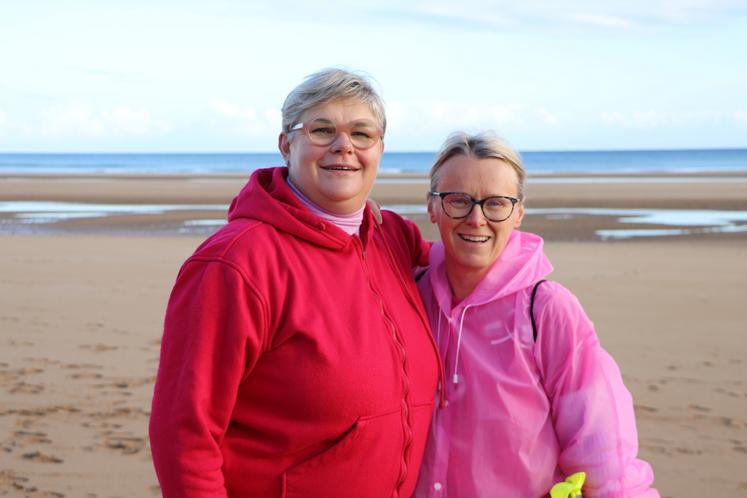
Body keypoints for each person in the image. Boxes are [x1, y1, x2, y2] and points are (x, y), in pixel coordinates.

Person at [149, 68, 441, 498]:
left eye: (362, 134)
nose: (344, 146)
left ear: (380, 148)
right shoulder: (236, 263)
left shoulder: (394, 239)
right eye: (322, 130)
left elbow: (477, 278)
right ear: (287, 144)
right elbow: (184, 433)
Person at [414, 132, 659, 498]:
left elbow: (606, 457)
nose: (476, 218)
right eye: (458, 200)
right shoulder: (409, 296)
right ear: (433, 207)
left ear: (518, 213)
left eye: (496, 203)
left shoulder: (545, 311)